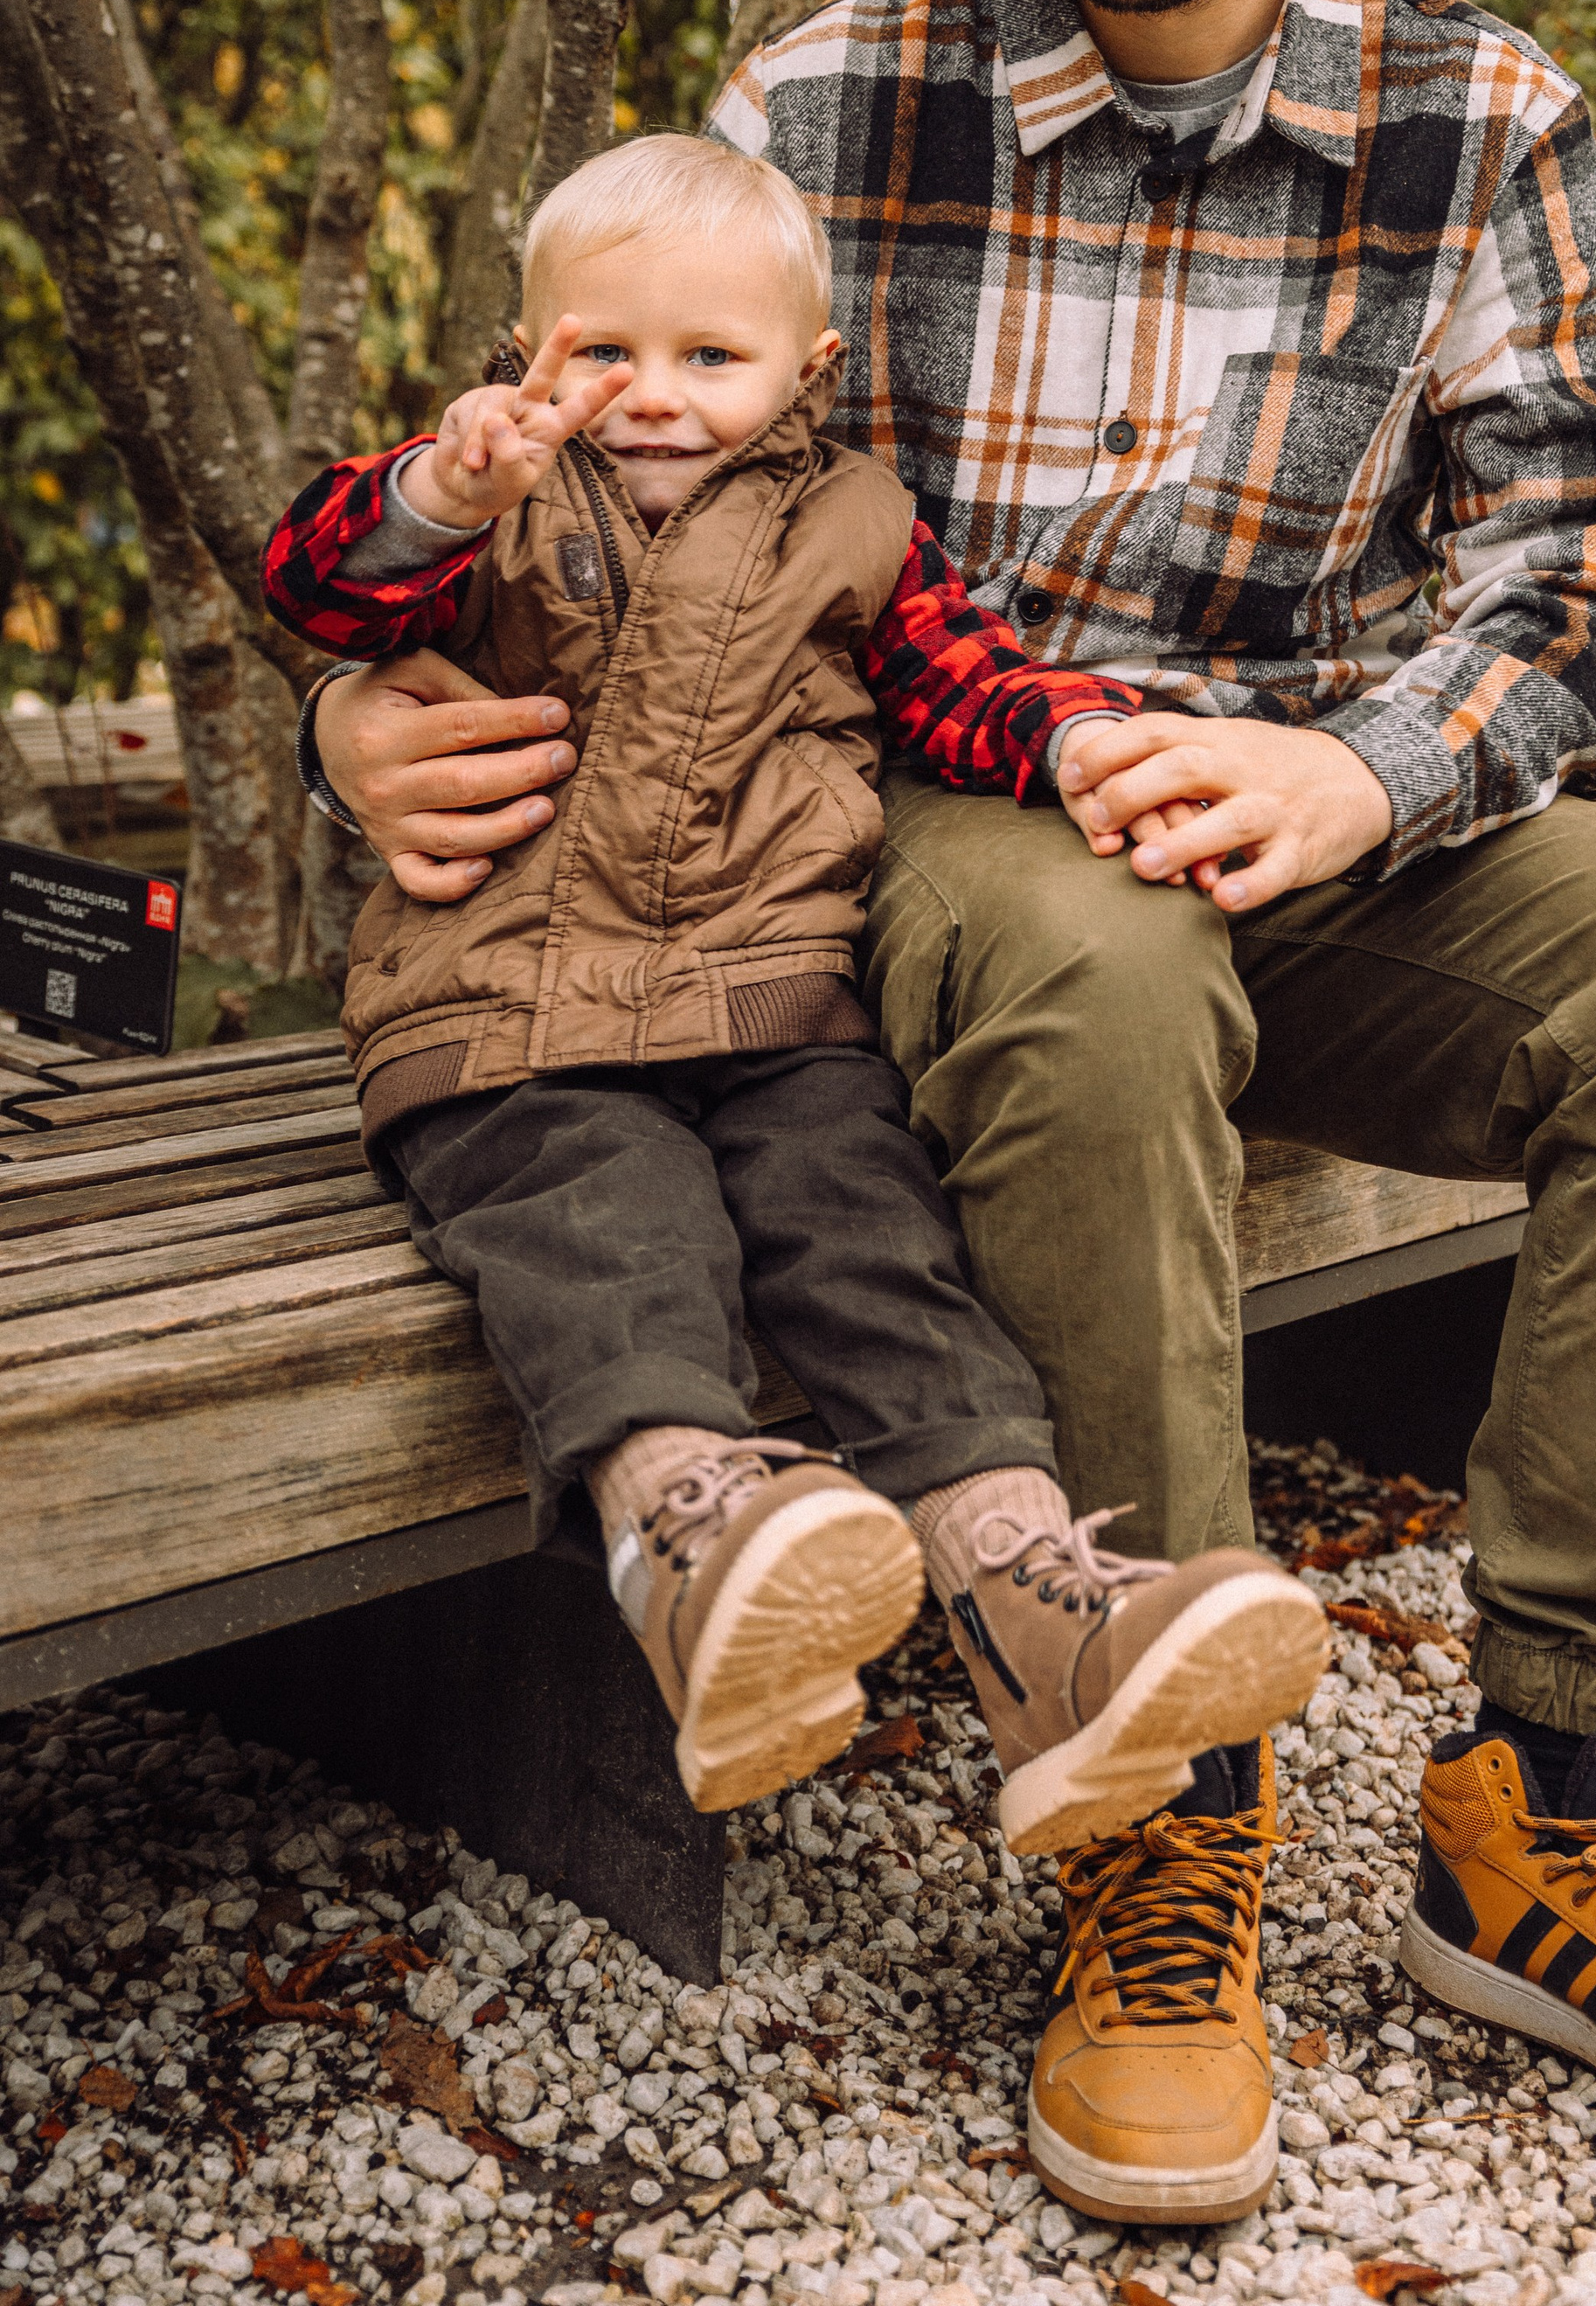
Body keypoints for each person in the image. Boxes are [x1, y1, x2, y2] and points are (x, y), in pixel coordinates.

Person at [299, 0, 1596, 2213]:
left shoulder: (1481, 117)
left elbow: (1583, 572)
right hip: (949, 816)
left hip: (1341, 821)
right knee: (1090, 967)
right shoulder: (825, 106)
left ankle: (1562, 1802)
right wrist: (380, 707)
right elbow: (594, 490)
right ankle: (1150, 1798)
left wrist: (1361, 771)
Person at [261, 133, 1330, 1891]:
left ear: (804, 370)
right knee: (604, 1227)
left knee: (875, 1244)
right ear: (525, 345)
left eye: (712, 358)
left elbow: (962, 685)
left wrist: (1071, 744)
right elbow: (320, 586)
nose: (654, 398)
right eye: (603, 351)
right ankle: (690, 1538)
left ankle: (1035, 1600)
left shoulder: (854, 522)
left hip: (773, 1008)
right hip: (509, 1014)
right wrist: (441, 492)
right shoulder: (495, 499)